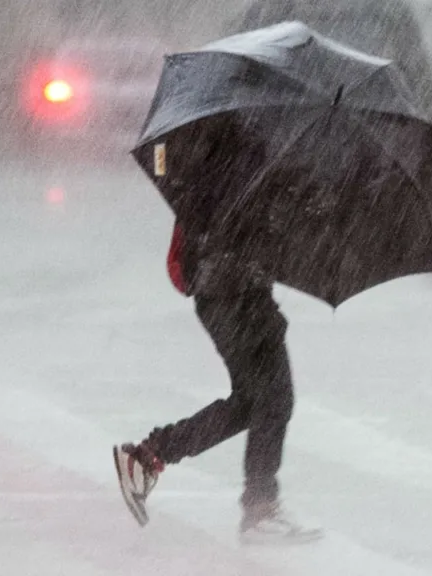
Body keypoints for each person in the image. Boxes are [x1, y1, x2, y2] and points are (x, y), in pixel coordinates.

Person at [113, 116, 323, 545]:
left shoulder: (227, 144)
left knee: (254, 403)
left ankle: (149, 456)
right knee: (273, 400)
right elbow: (251, 225)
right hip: (237, 293)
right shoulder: (248, 152)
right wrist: (300, 198)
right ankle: (260, 510)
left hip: (227, 292)